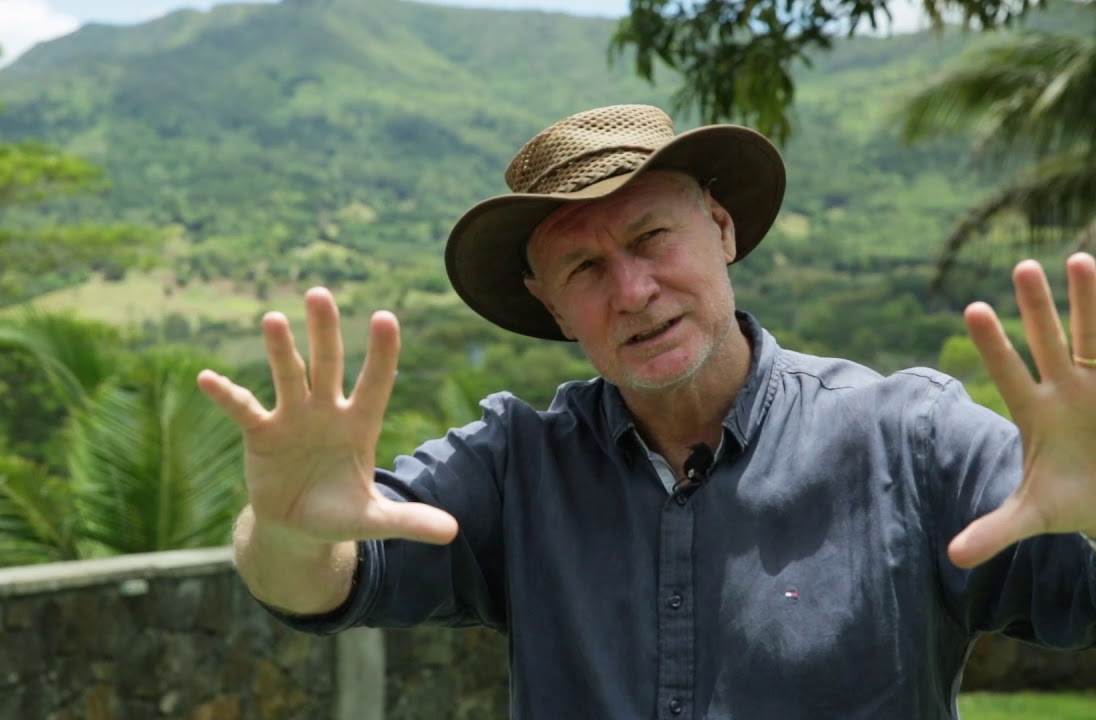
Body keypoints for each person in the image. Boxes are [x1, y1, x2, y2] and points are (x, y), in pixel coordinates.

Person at [197, 105, 1096, 718]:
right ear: (549, 306)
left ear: (722, 229)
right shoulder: (519, 462)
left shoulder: (911, 437)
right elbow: (321, 578)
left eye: (651, 237)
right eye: (583, 269)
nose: (631, 290)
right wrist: (284, 530)